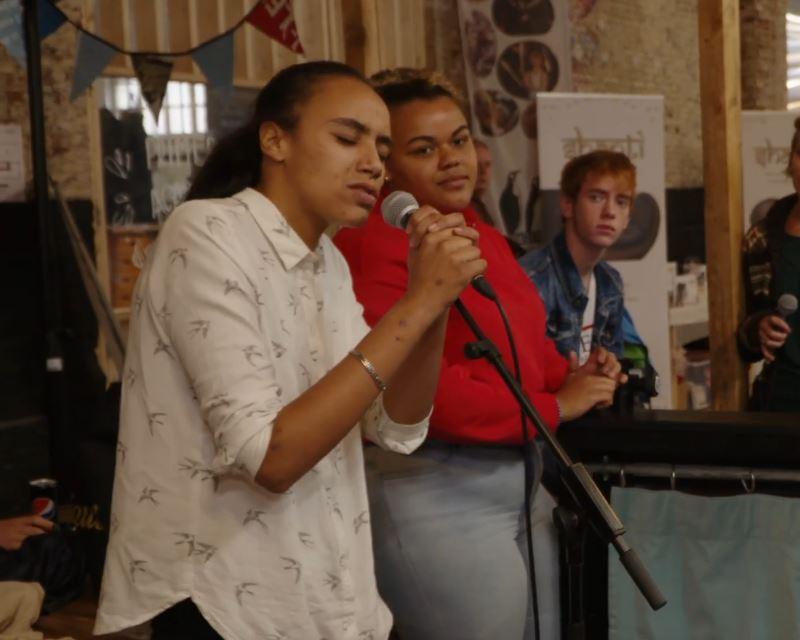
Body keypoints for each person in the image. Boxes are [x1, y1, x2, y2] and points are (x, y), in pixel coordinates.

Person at [94, 61, 488, 640]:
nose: (374, 164)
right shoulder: (206, 232)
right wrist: (417, 305)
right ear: (275, 139)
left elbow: (394, 424)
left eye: (381, 147)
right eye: (347, 138)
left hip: (328, 594)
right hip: (229, 601)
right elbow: (270, 458)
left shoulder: (326, 260)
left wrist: (436, 306)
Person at [334, 67, 623, 640]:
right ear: (387, 165)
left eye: (460, 140)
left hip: (519, 478)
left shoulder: (478, 232)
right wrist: (557, 407)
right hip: (434, 490)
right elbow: (425, 396)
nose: (452, 158)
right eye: (426, 148)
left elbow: (525, 340)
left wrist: (575, 370)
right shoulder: (371, 246)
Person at [520, 150, 636, 364]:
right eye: (596, 197)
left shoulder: (611, 282)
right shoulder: (532, 279)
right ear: (567, 205)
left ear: (628, 218)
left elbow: (614, 360)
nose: (610, 211)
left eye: (621, 201)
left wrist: (609, 369)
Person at [739, 117, 800, 411]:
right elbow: (743, 337)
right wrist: (759, 329)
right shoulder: (761, 238)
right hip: (779, 403)